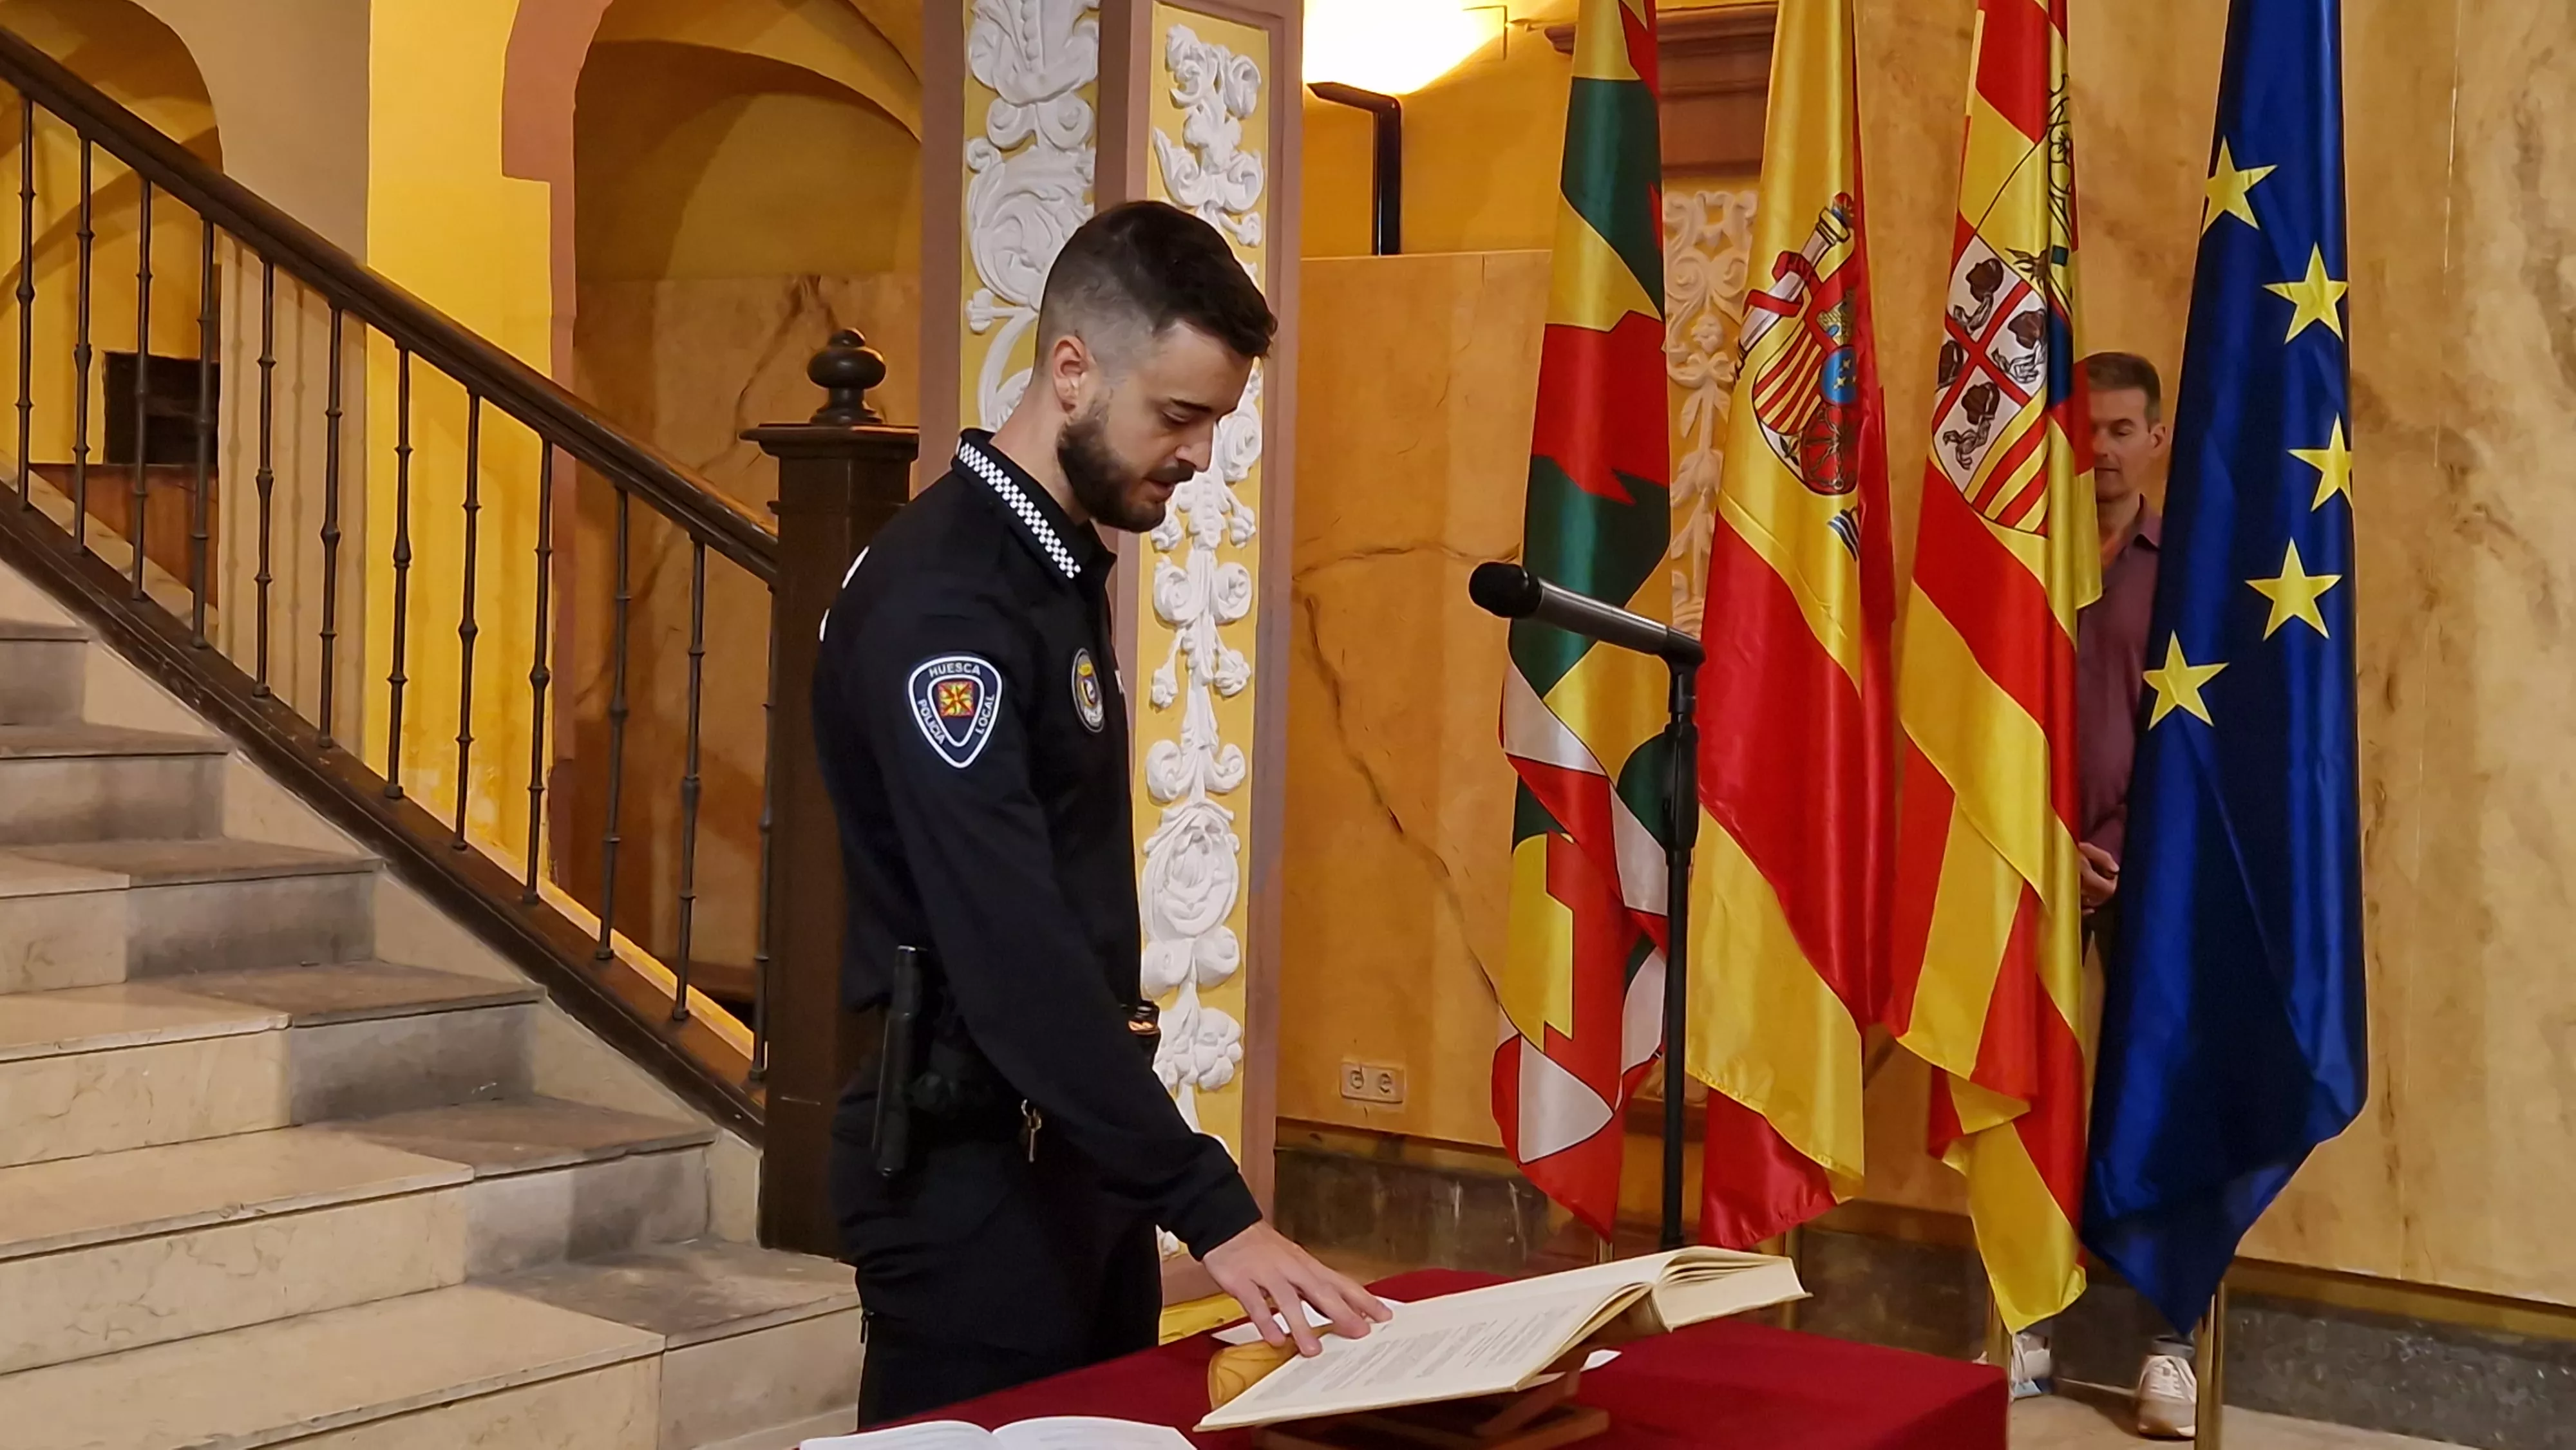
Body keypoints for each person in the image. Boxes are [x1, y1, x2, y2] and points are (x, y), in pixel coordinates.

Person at [813, 200, 1389, 1424]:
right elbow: (1010, 948)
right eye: (1178, 416)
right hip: (968, 1172)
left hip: (1064, 1162)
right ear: (1072, 370)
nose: (1198, 454)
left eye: (1217, 422)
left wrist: (1141, 1182)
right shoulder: (947, 607)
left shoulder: (1045, 568)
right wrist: (1213, 1206)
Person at [2002, 352, 2193, 1440]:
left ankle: (2171, 1344)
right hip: (2032, 864)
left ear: (2156, 440)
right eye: (2089, 429)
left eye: (2126, 429)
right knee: (2033, 1100)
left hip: (2150, 876)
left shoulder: (2190, 568)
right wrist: (2048, 841)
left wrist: (2117, 847)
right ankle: (2030, 1320)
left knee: (2161, 1105)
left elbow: (2203, 740)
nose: (2105, 449)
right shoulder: (2027, 560)